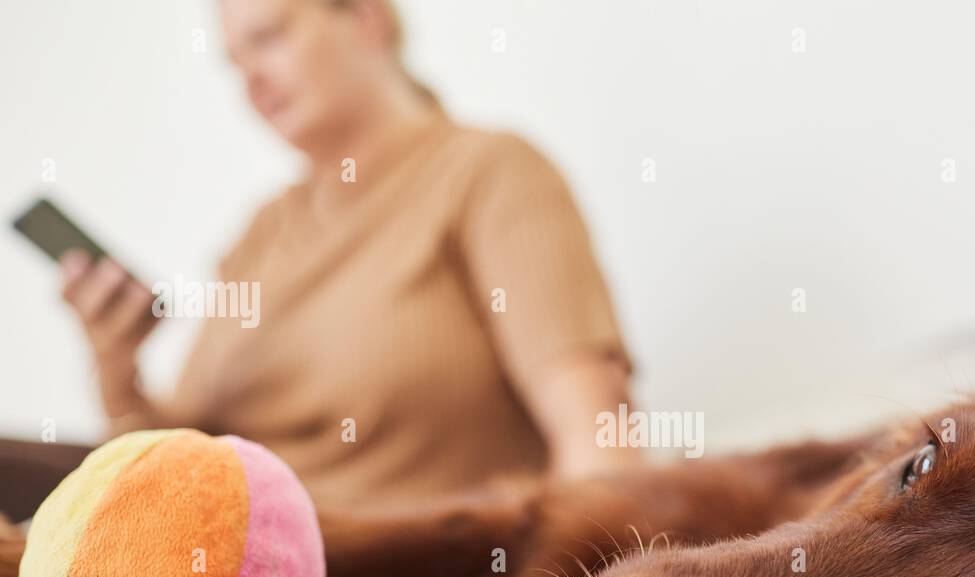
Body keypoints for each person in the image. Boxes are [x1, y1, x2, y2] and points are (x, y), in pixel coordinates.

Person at [54, 0, 640, 512]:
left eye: (268, 38)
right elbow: (175, 464)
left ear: (367, 18)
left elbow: (597, 443)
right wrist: (115, 366)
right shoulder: (262, 233)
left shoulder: (490, 174)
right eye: (234, 63)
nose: (250, 81)